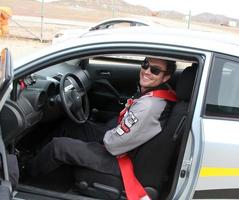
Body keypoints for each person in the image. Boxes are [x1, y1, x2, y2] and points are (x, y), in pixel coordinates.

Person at [27, 57, 177, 178]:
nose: (146, 71)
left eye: (155, 70)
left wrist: (99, 141)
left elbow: (114, 145)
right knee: (72, 126)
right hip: (122, 142)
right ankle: (34, 155)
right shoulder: (157, 94)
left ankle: (26, 173)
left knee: (58, 146)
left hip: (122, 158)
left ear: (166, 77)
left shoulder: (149, 106)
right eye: (145, 64)